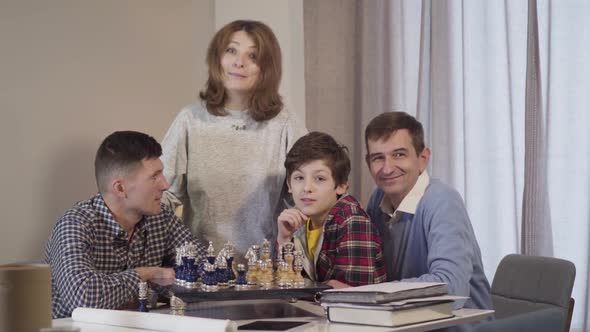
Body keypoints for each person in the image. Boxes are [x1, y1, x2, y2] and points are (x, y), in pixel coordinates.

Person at [161, 20, 306, 263]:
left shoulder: (285, 122)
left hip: (266, 273)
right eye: (231, 50)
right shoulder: (190, 118)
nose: (240, 62)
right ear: (217, 58)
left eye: (253, 56)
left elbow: (306, 198)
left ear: (267, 68)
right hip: (200, 270)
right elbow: (163, 194)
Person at [45, 131, 204, 318]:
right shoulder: (74, 226)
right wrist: (146, 275)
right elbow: (84, 298)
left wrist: (156, 289)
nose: (165, 185)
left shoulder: (161, 218)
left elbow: (205, 271)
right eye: (154, 176)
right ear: (120, 188)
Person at [364, 112, 492, 310]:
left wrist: (376, 292)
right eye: (378, 158)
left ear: (423, 158)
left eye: (399, 154)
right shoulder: (377, 200)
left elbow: (451, 286)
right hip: (405, 323)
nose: (387, 169)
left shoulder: (442, 201)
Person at [277, 132, 386, 287]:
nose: (307, 188)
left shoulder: (352, 220)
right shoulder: (296, 220)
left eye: (319, 179)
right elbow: (286, 284)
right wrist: (284, 240)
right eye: (299, 178)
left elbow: (351, 294)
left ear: (341, 186)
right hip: (315, 310)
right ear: (289, 185)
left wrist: (304, 287)